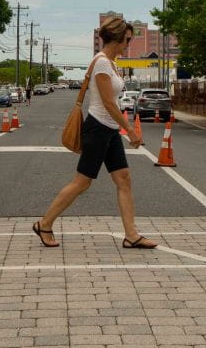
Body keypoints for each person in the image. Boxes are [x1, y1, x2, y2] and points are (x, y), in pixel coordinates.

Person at [33, 17, 157, 249]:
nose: (128, 44)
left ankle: (131, 235)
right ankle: (45, 224)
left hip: (109, 129)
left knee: (123, 179)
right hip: (98, 127)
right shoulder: (101, 63)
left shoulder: (111, 63)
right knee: (82, 182)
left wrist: (122, 128)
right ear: (118, 38)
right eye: (127, 40)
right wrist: (130, 129)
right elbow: (109, 103)